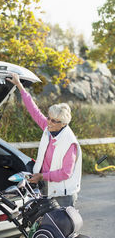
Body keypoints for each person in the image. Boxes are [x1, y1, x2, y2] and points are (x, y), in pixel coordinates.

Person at [7, 73, 82, 207]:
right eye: (49, 118)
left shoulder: (69, 143)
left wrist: (42, 176)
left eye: (54, 121)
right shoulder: (48, 128)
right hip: (45, 186)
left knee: (60, 226)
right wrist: (20, 86)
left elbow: (66, 173)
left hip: (62, 194)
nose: (49, 122)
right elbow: (34, 110)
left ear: (63, 123)